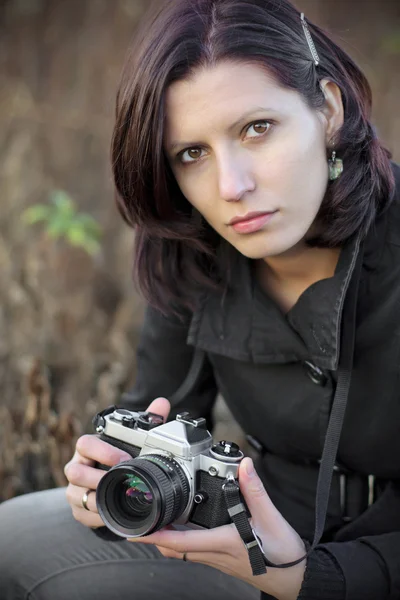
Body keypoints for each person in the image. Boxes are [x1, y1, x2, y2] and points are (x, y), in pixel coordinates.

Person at [0, 0, 399, 598]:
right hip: (247, 543)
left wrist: (311, 578)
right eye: (192, 154)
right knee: (11, 540)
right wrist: (109, 481)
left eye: (257, 128)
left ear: (328, 110)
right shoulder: (190, 255)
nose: (231, 187)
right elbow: (155, 409)